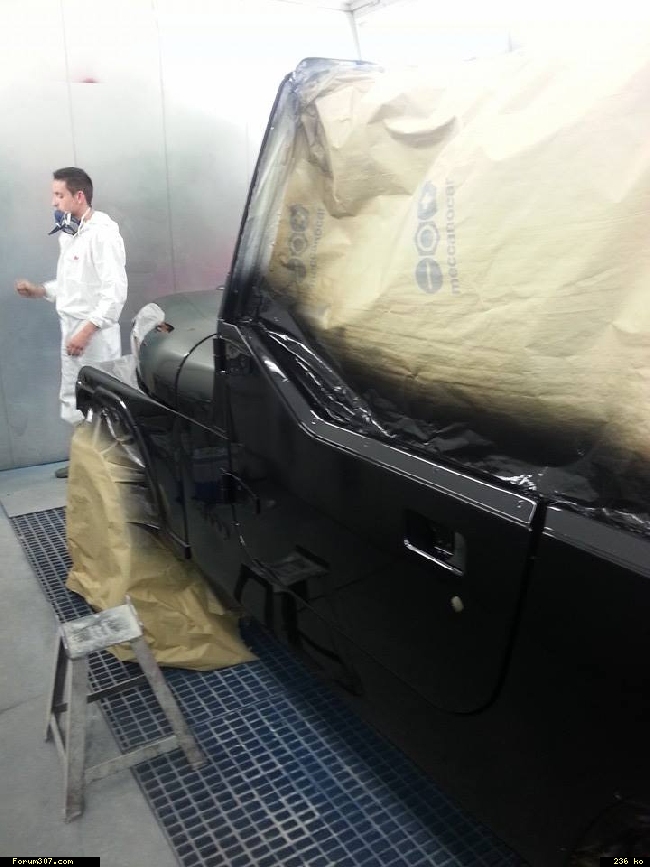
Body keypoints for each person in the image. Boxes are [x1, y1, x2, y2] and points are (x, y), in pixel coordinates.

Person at [15, 167, 128, 478]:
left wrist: (86, 331)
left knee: (101, 401)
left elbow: (114, 293)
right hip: (73, 330)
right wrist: (40, 290)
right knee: (74, 400)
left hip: (95, 336)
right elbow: (73, 284)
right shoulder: (70, 232)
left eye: (59, 195)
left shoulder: (103, 235)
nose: (53, 202)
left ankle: (110, 473)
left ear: (79, 196)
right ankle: (85, 464)